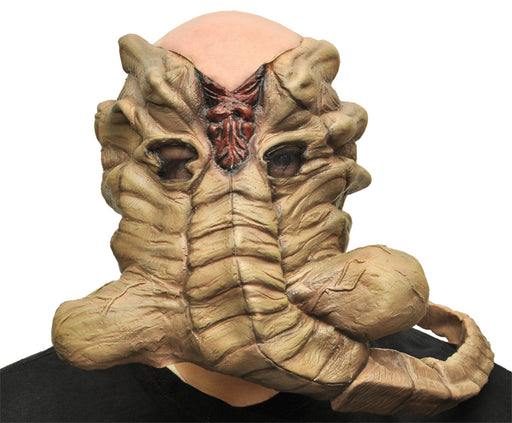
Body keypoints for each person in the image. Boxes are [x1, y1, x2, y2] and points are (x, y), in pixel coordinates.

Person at [1, 11, 511, 422]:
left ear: (341, 161)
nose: (233, 200)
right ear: (118, 165)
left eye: (283, 160)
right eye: (177, 163)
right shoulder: (19, 406)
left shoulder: (496, 409)